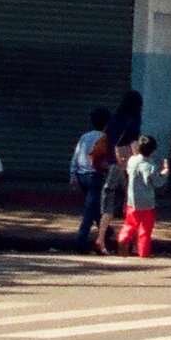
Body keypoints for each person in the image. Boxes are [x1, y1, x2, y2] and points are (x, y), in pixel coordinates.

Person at [69, 107, 112, 250]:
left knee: (93, 207)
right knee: (90, 210)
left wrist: (73, 175)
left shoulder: (85, 137)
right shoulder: (106, 138)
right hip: (95, 177)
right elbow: (105, 160)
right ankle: (81, 241)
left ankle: (106, 232)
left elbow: (75, 156)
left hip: (82, 176)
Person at [120, 133, 162, 258]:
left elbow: (128, 172)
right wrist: (165, 173)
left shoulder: (132, 160)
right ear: (153, 150)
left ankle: (123, 238)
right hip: (147, 203)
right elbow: (157, 182)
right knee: (145, 229)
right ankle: (143, 252)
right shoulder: (151, 165)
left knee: (130, 224)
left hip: (132, 200)